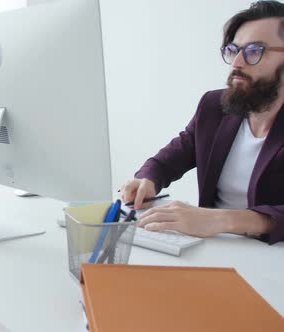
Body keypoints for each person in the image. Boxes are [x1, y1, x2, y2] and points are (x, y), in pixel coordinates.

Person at [120, 1, 284, 244]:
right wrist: (148, 178)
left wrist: (222, 220)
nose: (237, 63)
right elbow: (174, 156)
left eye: (253, 51)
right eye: (233, 50)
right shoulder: (214, 106)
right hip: (212, 248)